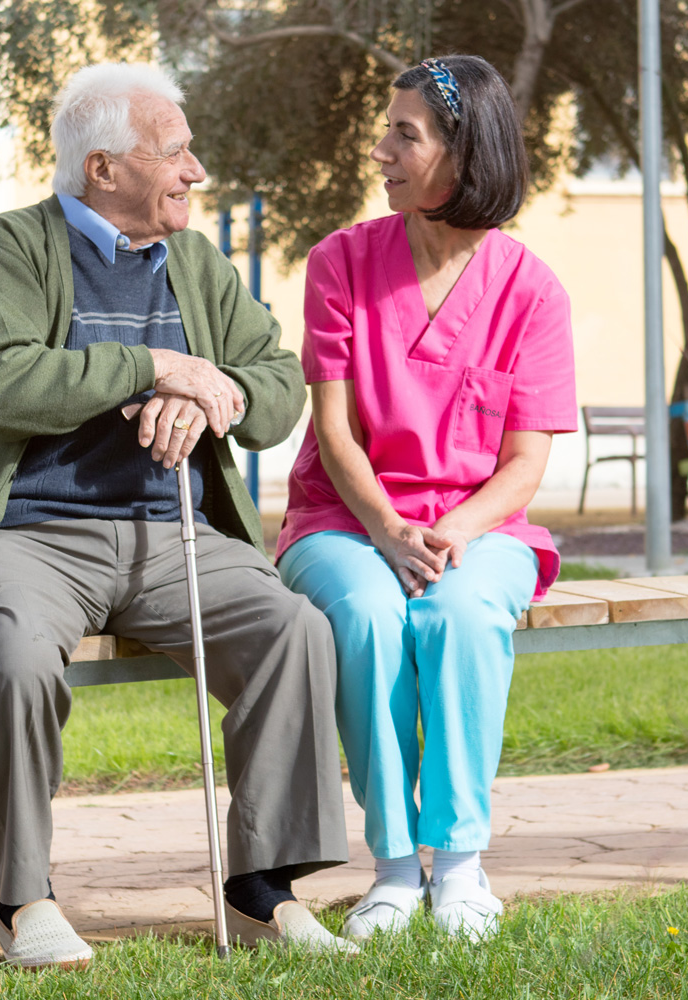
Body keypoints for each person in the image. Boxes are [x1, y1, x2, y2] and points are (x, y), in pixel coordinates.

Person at [0, 62, 355, 968]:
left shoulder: (193, 261)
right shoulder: (12, 246)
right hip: (25, 537)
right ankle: (24, 900)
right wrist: (157, 367)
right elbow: (1, 384)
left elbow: (275, 387)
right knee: (19, 658)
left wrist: (213, 391)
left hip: (174, 537)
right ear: (104, 168)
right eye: (176, 152)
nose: (195, 170)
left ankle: (261, 890)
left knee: (293, 631)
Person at [276, 54, 577, 942]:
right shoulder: (340, 262)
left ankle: (464, 868)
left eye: (403, 134)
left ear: (464, 153)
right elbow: (334, 433)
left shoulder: (532, 290)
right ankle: (396, 871)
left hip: (479, 527)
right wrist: (388, 528)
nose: (381, 150)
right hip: (343, 518)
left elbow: (525, 465)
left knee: (460, 616)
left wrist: (444, 532)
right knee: (366, 618)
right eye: (386, 131)